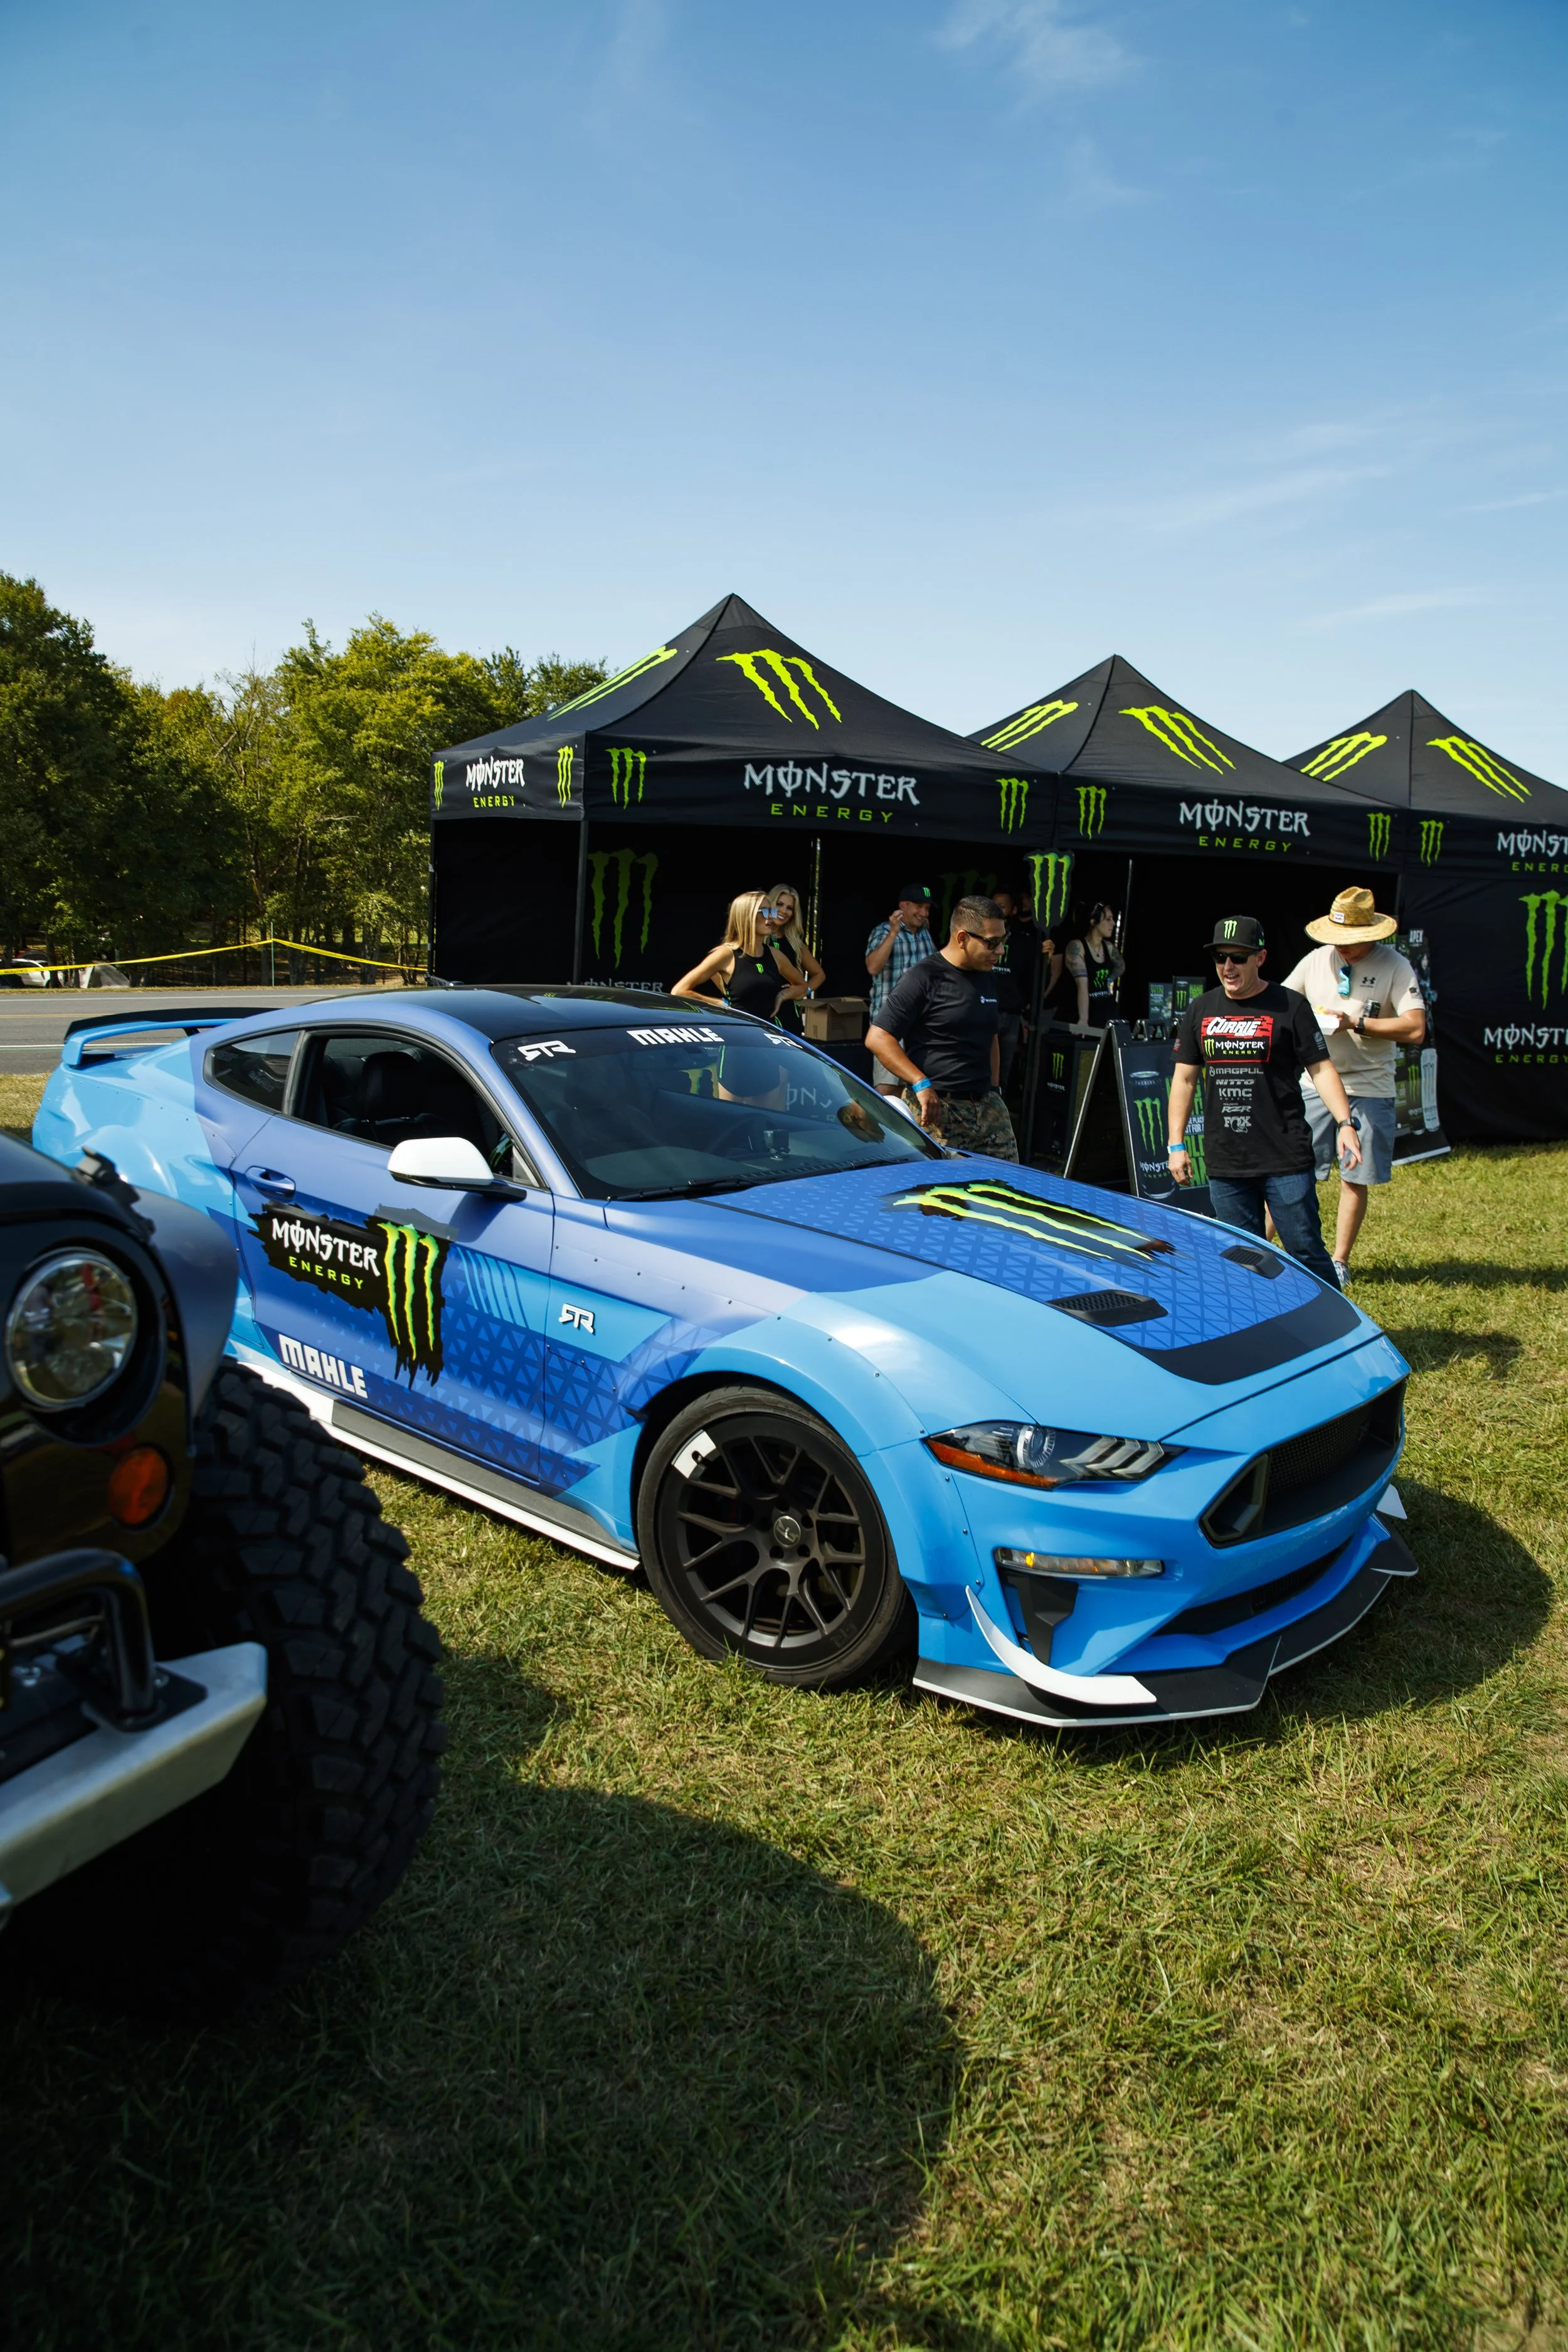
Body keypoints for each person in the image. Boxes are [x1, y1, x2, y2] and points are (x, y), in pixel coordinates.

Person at [1166, 914, 1360, 1290]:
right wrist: (1177, 1144)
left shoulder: (1291, 1006)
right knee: (1241, 1259)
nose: (1228, 967)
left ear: (1261, 958)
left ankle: (1335, 1321)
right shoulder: (1201, 1009)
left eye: (1238, 957)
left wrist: (1345, 1123)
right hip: (1226, 1159)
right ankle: (1261, 1324)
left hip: (1284, 1156)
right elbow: (1185, 1079)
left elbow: (1321, 1069)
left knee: (1305, 1252)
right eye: (1220, 957)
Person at [1281, 887, 1427, 1290]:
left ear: (1372, 935)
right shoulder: (1315, 960)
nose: (1341, 947)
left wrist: (1357, 1023)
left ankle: (1339, 1261)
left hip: (1370, 1085)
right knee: (1290, 1173)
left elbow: (1415, 1028)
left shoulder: (1396, 966)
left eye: (1350, 939)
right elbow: (1282, 1005)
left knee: (1354, 1176)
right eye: (1336, 938)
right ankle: (1259, 1249)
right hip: (1315, 1082)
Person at [865, 894, 1017, 1160]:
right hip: (937, 1111)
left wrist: (995, 1091)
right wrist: (920, 1083)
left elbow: (991, 1036)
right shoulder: (924, 977)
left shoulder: (987, 977)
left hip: (988, 1109)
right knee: (941, 1187)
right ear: (963, 938)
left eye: (1003, 940)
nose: (1000, 951)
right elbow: (878, 1037)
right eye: (992, 942)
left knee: (1007, 1182)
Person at [672, 890, 808, 1024]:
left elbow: (802, 986)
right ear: (746, 916)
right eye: (764, 912)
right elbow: (679, 991)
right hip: (738, 1032)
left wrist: (783, 995)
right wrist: (719, 1004)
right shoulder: (726, 954)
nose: (770, 917)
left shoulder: (775, 955)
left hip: (768, 1033)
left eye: (770, 911)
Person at [864, 881, 935, 1094]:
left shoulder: (925, 934)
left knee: (913, 1090)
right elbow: (872, 967)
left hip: (919, 1026)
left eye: (927, 908)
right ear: (903, 906)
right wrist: (894, 933)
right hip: (890, 1025)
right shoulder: (883, 931)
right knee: (887, 1090)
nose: (924, 913)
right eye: (919, 907)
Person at [990, 884, 1056, 1093]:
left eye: (1002, 906)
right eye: (993, 905)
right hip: (984, 1010)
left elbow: (1036, 981)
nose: (997, 910)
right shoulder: (981, 937)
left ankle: (998, 1110)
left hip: (1010, 1015)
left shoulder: (1024, 942)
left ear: (1014, 910)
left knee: (1003, 1072)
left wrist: (1047, 962)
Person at [762, 881, 826, 1018]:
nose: (784, 911)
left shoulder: (794, 942)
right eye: (779, 904)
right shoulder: (755, 937)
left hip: (788, 1012)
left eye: (790, 908)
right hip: (759, 1009)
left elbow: (819, 974)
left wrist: (803, 991)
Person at [1062, 902, 1125, 1029]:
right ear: (1093, 922)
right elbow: (1082, 985)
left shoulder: (1109, 948)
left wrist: (1109, 980)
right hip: (1085, 1012)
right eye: (1108, 919)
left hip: (1108, 1012)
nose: (1113, 923)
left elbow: (1121, 967)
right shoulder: (1077, 947)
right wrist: (1083, 1019)